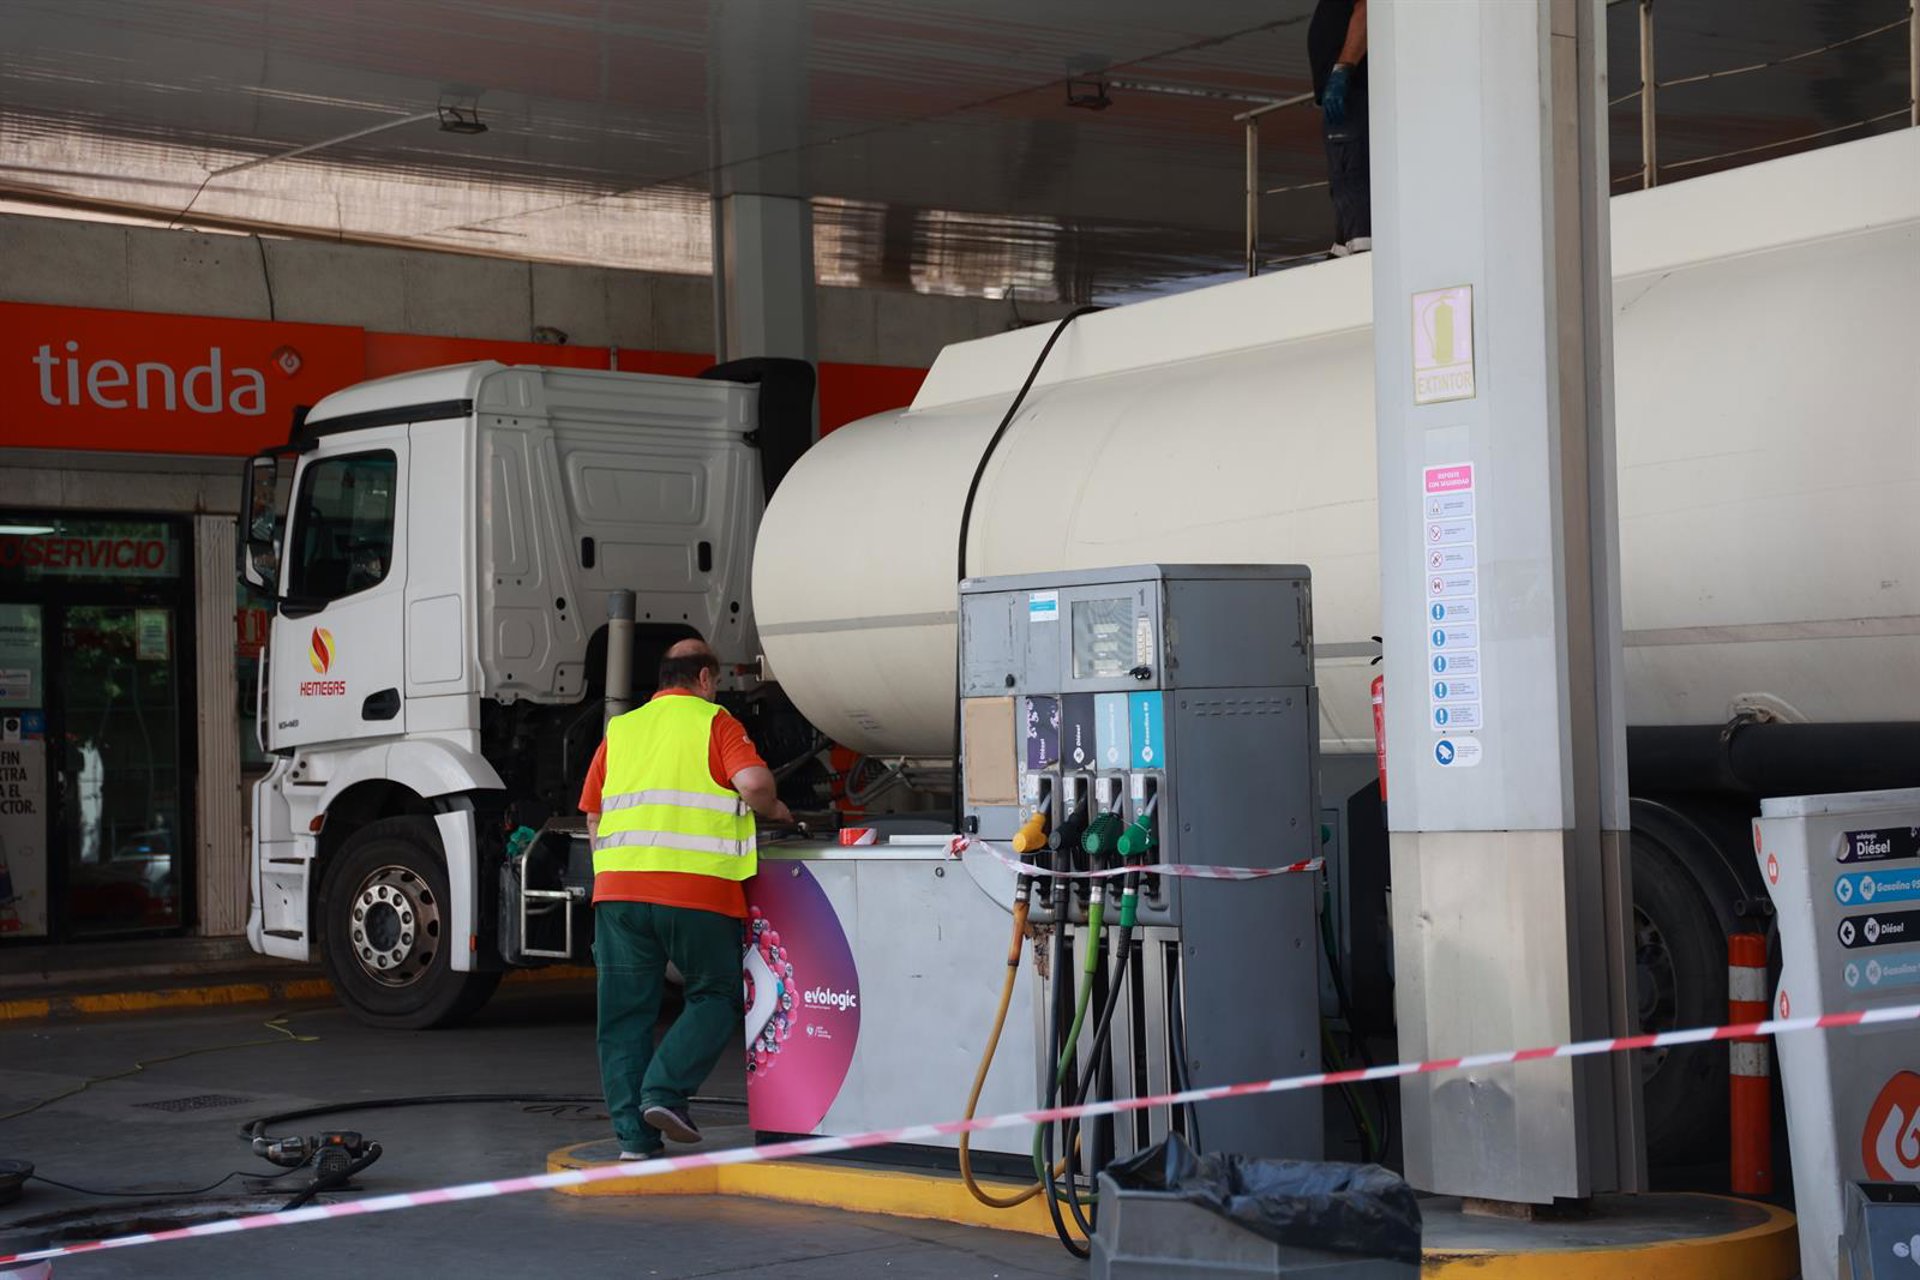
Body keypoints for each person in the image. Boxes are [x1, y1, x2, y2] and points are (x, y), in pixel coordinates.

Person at [579, 637, 793, 1159]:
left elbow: (593, 813)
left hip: (619, 892)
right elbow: (753, 784)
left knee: (623, 1015)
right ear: (703, 678)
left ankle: (634, 1141)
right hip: (697, 889)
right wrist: (777, 810)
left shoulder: (621, 730)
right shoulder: (714, 721)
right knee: (716, 994)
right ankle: (664, 1090)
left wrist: (614, 870)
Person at [1310, 0, 1371, 256]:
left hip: (1351, 93)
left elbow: (1368, 10)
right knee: (1343, 173)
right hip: (1343, 95)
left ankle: (1361, 242)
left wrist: (1343, 69)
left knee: (1351, 168)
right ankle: (1345, 242)